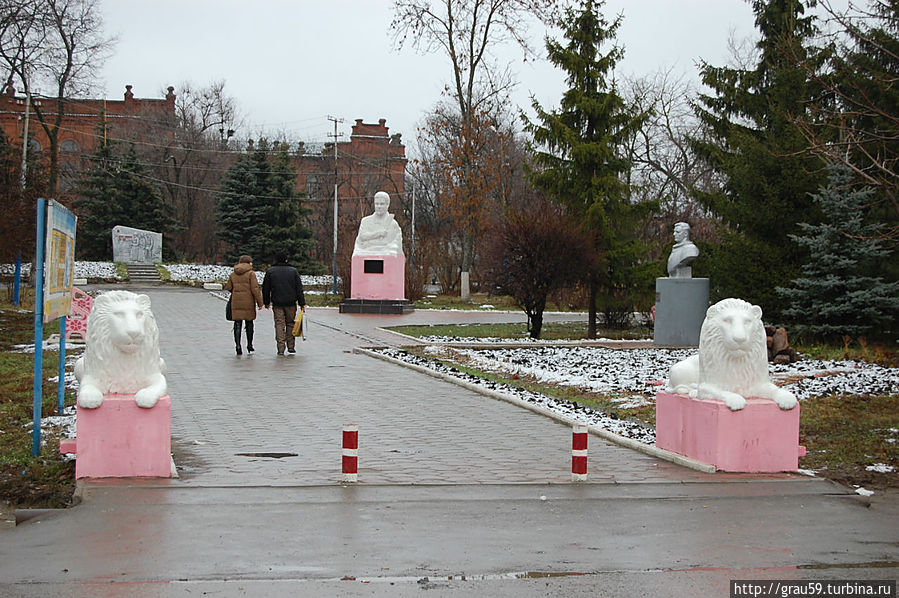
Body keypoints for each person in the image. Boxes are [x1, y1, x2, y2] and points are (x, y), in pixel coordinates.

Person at [262, 253, 306, 356]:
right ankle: (291, 346)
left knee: (279, 324)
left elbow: (265, 288)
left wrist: (266, 302)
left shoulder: (270, 271)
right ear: (286, 260)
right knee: (290, 323)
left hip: (277, 303)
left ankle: (280, 348)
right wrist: (302, 303)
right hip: (291, 303)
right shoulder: (293, 271)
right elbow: (299, 288)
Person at [224, 255, 263, 355]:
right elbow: (255, 289)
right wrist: (260, 302)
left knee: (237, 324)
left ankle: (238, 346)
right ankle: (249, 345)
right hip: (248, 301)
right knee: (249, 323)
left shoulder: (233, 274)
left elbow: (228, 287)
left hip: (236, 301)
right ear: (249, 262)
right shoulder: (251, 274)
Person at [353, 191, 403, 256]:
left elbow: (395, 245)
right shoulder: (365, 221)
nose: (379, 206)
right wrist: (378, 234)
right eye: (377, 204)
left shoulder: (393, 224)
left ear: (387, 205)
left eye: (382, 204)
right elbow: (362, 237)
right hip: (367, 253)